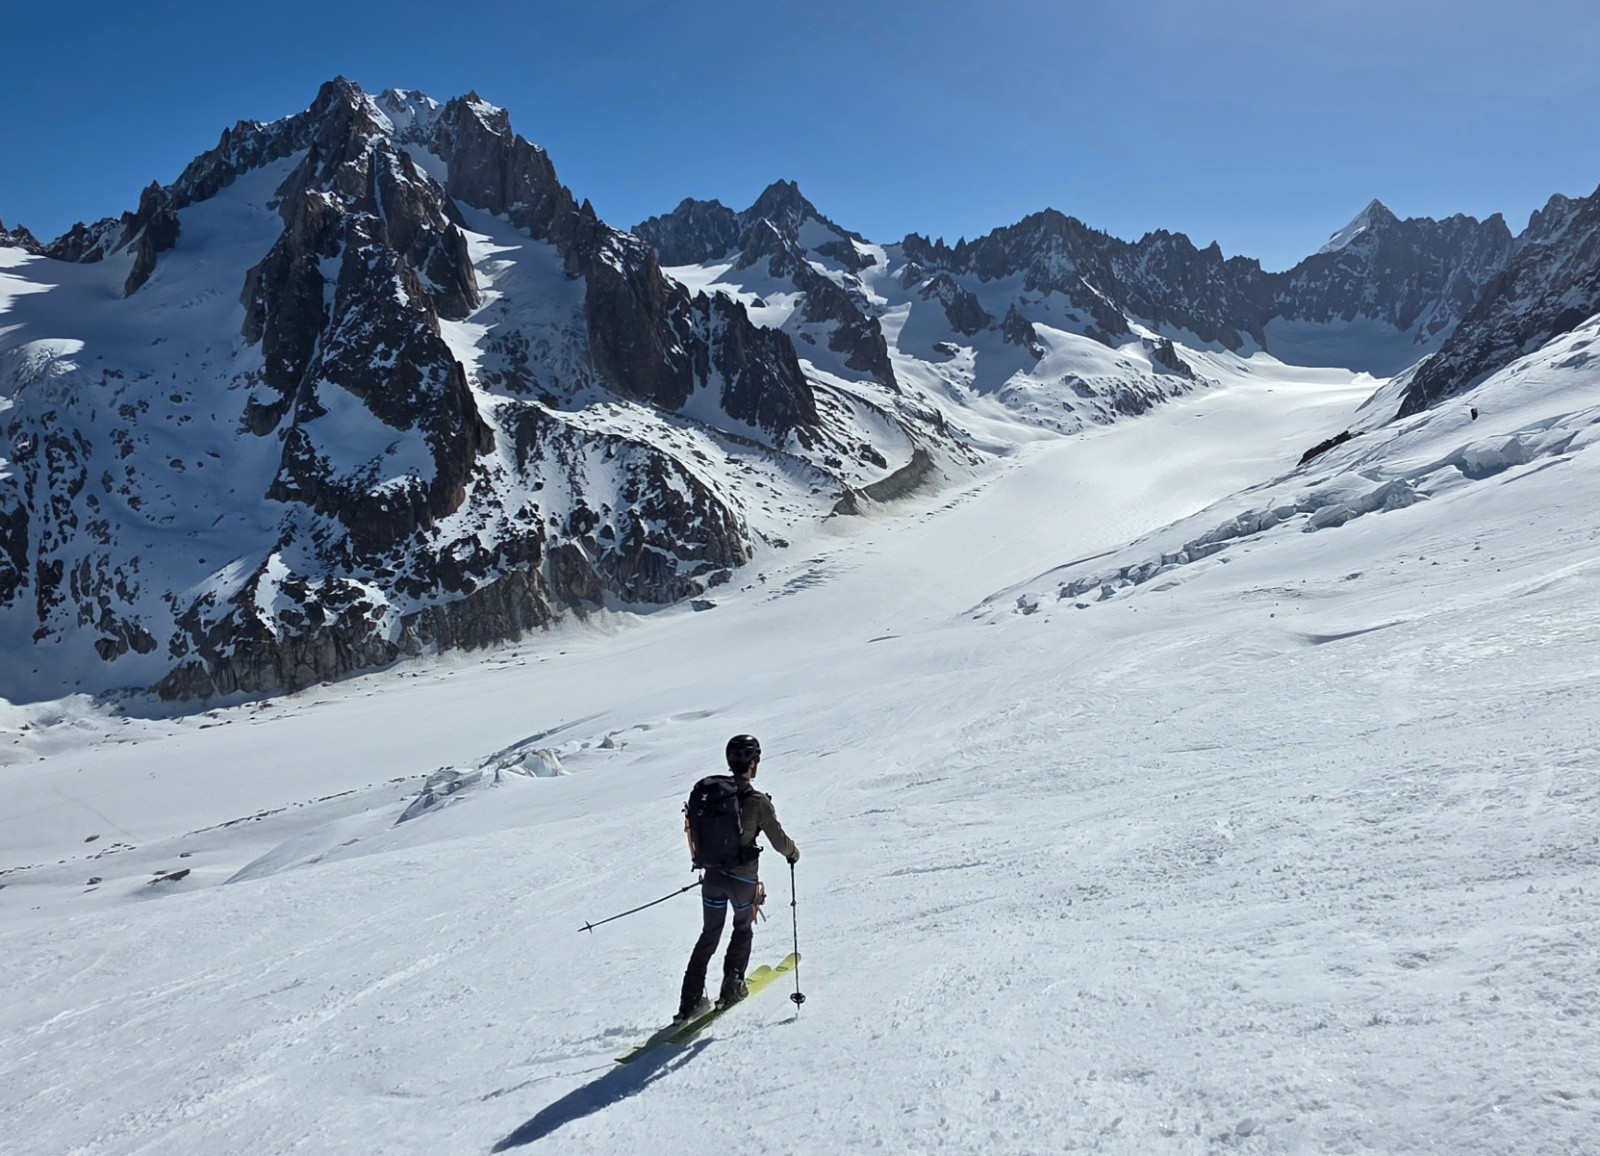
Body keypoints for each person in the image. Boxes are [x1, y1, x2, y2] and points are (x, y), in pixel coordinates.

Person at [677, 734, 799, 1021]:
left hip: (713, 878)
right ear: (753, 764)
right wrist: (793, 853)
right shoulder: (758, 802)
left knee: (709, 935)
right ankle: (732, 986)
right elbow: (779, 840)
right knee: (742, 927)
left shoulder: (716, 795)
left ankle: (689, 1001)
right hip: (743, 881)